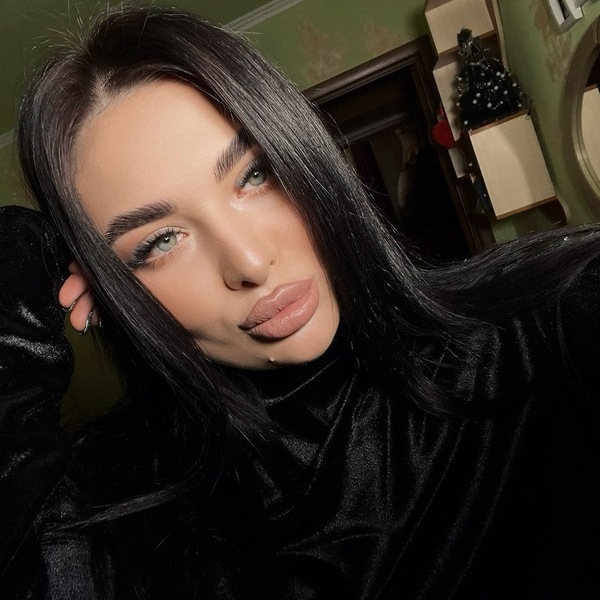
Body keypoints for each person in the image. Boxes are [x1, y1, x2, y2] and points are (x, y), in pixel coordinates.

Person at [3, 4, 600, 599]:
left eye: (255, 174)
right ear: (116, 288)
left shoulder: (543, 322)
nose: (249, 263)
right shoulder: (116, 526)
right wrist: (23, 267)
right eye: (160, 241)